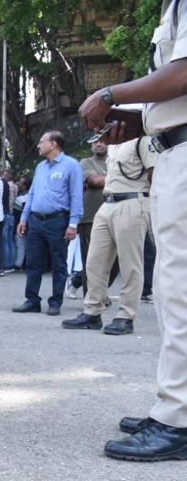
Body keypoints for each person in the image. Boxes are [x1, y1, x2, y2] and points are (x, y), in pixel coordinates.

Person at [80, 0, 187, 460]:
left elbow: (184, 73)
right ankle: (174, 405)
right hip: (171, 149)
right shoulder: (174, 5)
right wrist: (139, 120)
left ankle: (178, 418)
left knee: (178, 287)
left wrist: (111, 93)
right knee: (171, 288)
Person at [62, 136, 157, 336]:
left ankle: (126, 316)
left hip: (133, 201)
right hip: (108, 203)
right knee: (94, 263)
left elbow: (155, 175)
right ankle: (92, 312)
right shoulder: (113, 146)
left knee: (131, 264)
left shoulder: (143, 141)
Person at [12, 131, 84, 316]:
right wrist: (24, 218)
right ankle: (32, 300)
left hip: (57, 220)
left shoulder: (71, 165)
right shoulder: (40, 167)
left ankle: (56, 302)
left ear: (53, 144)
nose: (38, 145)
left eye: (42, 142)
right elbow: (33, 194)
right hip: (36, 220)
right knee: (33, 262)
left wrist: (73, 224)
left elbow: (76, 196)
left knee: (58, 263)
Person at [79, 139, 109, 293]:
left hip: (115, 215)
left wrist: (105, 177)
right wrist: (119, 178)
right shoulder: (86, 162)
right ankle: (90, 298)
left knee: (115, 259)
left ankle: (98, 291)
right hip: (91, 216)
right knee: (91, 260)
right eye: (94, 142)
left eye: (101, 141)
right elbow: (96, 181)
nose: (98, 143)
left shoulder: (116, 160)